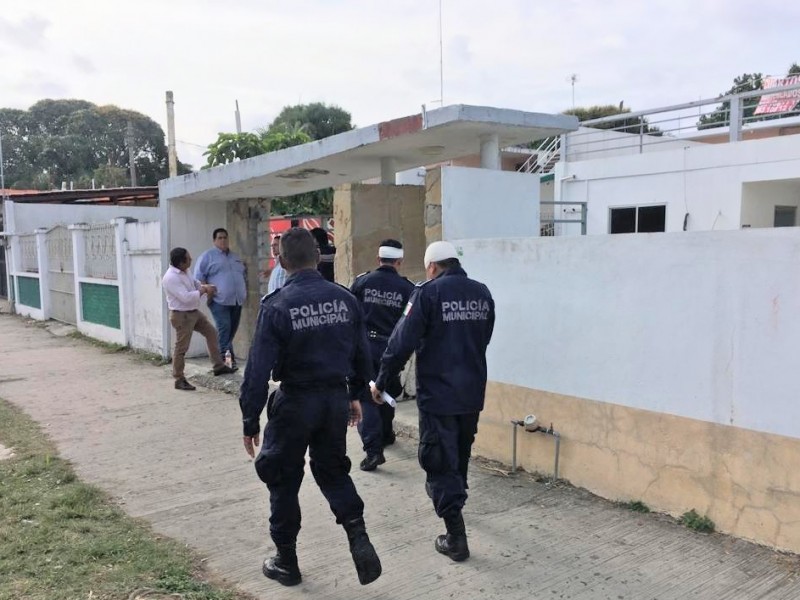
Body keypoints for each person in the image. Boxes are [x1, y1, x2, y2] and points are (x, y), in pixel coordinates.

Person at [239, 227, 382, 587]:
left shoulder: (277, 305)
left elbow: (257, 370)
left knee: (283, 478)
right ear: (318, 257)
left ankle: (286, 561)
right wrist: (354, 396)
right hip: (333, 400)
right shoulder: (345, 299)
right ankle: (358, 535)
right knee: (333, 471)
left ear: (282, 261)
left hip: (295, 402)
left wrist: (250, 419)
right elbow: (362, 355)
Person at [372, 240, 495, 563]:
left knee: (439, 461)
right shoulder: (482, 292)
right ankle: (457, 501)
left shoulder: (427, 293)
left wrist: (382, 381)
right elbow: (484, 337)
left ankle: (455, 537)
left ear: (431, 266)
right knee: (460, 453)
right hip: (471, 392)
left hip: (438, 395)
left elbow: (400, 343)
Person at [350, 239, 414, 471]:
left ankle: (373, 450)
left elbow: (351, 316)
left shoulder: (361, 282)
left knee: (367, 397)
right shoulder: (408, 288)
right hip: (391, 348)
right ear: (399, 261)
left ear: (378, 260)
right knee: (384, 388)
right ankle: (385, 434)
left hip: (364, 347)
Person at [161, 247, 236, 390]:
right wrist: (203, 290)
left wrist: (204, 286)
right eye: (188, 259)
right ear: (181, 262)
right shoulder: (171, 277)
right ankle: (179, 378)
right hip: (181, 315)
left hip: (193, 312)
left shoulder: (185, 271)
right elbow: (186, 298)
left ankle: (218, 366)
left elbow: (194, 283)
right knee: (181, 348)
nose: (191, 260)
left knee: (211, 332)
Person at [195, 228, 247, 369]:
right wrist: (207, 289)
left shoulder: (235, 257)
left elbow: (242, 274)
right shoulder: (207, 257)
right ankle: (226, 362)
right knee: (224, 328)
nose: (223, 240)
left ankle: (226, 360)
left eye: (225, 237)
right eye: (220, 238)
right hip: (219, 301)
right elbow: (198, 279)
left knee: (230, 332)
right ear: (214, 240)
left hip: (236, 301)